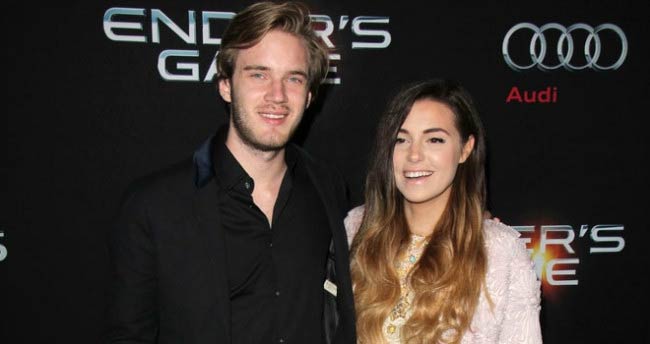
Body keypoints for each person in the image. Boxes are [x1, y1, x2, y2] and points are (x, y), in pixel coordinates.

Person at [105, 2, 356, 343]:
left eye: (293, 78)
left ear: (310, 95)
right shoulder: (154, 207)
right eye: (258, 74)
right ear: (225, 84)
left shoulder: (328, 190)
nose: (277, 96)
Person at [344, 79, 542, 343]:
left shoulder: (500, 252)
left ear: (465, 149)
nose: (414, 155)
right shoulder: (355, 229)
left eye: (434, 139)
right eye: (401, 139)